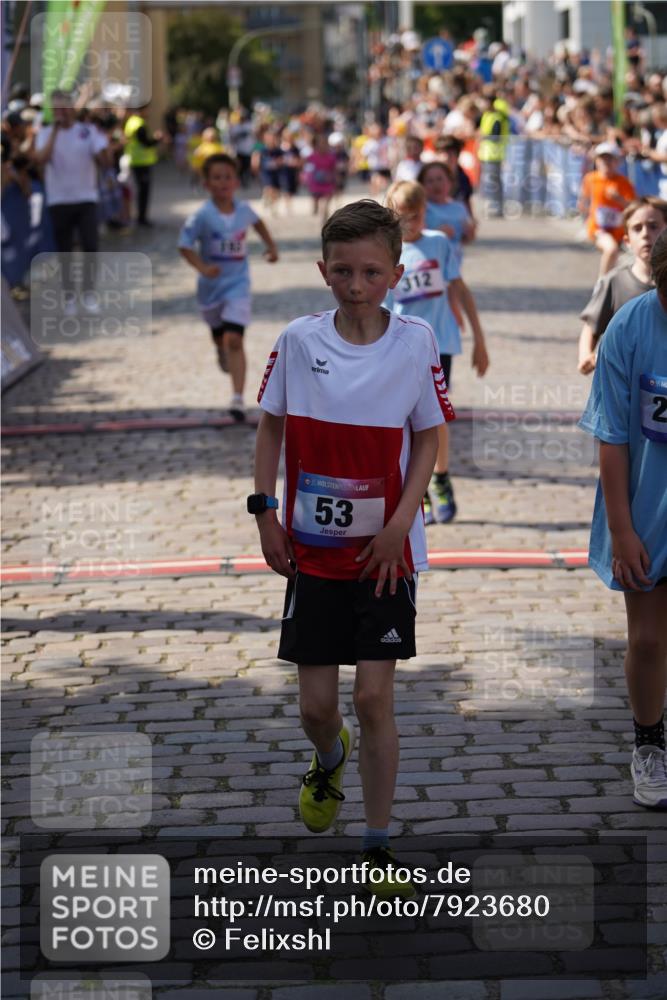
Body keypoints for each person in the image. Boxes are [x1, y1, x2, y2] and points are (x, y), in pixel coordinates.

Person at [251, 200, 454, 896]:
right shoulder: (299, 341)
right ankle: (327, 757)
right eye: (342, 270)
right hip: (312, 550)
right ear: (323, 271)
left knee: (373, 697)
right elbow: (271, 427)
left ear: (395, 274)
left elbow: (428, 436)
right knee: (315, 708)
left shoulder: (416, 341)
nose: (356, 283)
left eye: (370, 271)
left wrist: (402, 519)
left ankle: (374, 847)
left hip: (385, 554)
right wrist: (264, 512)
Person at [578, 230, 667, 810]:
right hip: (645, 509)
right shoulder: (631, 327)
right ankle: (649, 743)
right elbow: (611, 434)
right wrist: (622, 529)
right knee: (651, 640)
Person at [385, 180, 489, 524]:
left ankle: (440, 477)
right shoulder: (386, 250)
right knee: (405, 418)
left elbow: (459, 286)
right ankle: (419, 490)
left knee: (435, 415)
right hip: (398, 344)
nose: (410, 224)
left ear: (425, 212)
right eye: (402, 217)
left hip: (437, 342)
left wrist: (479, 338)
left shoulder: (438, 243)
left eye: (416, 216)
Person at [178, 153, 278, 421]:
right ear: (207, 183)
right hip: (210, 289)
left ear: (236, 181)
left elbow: (258, 223)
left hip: (238, 284)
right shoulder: (202, 216)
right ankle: (219, 348)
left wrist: (271, 247)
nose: (223, 182)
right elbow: (184, 246)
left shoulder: (244, 210)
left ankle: (237, 398)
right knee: (221, 337)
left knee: (235, 339)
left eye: (228, 177)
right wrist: (202, 268)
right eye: (217, 178)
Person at [33, 89, 108, 314]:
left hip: (86, 198)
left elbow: (103, 159)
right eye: (56, 108)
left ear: (72, 108)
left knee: (90, 246)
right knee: (65, 250)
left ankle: (88, 293)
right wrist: (55, 130)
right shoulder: (45, 133)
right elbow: (40, 160)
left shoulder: (87, 131)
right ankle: (69, 297)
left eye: (64, 107)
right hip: (59, 200)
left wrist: (105, 151)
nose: (61, 112)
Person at [578, 197, 667, 374]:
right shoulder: (616, 281)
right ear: (626, 240)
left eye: (653, 226)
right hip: (625, 383)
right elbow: (592, 325)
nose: (645, 234)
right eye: (637, 228)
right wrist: (585, 355)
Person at [578, 143, 636, 276]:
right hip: (598, 228)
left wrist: (619, 199)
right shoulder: (590, 179)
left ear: (617, 162)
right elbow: (583, 202)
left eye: (610, 159)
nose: (606, 162)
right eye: (602, 158)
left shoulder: (624, 182)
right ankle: (602, 286)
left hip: (620, 231)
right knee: (611, 250)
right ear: (596, 161)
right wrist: (585, 213)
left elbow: (634, 208)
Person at [419, 161, 476, 266]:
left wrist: (469, 233)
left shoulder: (459, 208)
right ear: (422, 186)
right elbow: (413, 237)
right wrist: (436, 234)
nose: (436, 184)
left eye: (440, 179)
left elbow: (464, 239)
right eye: (430, 181)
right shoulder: (421, 208)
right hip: (429, 264)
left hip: (454, 264)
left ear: (450, 182)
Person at [123, 104, 162, 227]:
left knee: (140, 190)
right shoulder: (139, 124)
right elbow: (146, 142)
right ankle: (141, 218)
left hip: (136, 160)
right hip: (141, 162)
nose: (148, 112)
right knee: (143, 191)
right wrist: (157, 139)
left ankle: (140, 217)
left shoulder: (132, 121)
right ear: (142, 110)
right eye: (147, 110)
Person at [303, 133, 337, 220]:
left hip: (327, 182)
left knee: (326, 201)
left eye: (324, 144)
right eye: (320, 144)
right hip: (315, 182)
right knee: (316, 200)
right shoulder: (312, 156)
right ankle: (316, 207)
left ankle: (324, 216)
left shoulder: (331, 157)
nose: (323, 146)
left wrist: (335, 179)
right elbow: (306, 168)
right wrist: (304, 177)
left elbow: (334, 169)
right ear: (316, 145)